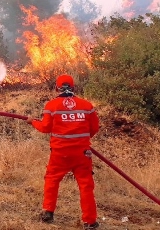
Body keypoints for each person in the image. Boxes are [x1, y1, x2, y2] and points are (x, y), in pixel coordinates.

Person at [26, 74, 100, 230]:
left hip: (60, 153)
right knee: (86, 185)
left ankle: (48, 212)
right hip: (82, 153)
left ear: (56, 88)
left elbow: (45, 128)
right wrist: (81, 141)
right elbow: (94, 128)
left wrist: (32, 121)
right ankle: (90, 222)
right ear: (74, 87)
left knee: (52, 179)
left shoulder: (51, 106)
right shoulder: (87, 106)